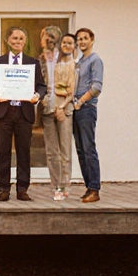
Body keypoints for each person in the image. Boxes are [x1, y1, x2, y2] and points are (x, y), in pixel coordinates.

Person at [0, 27, 47, 202]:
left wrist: (37, 96)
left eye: (21, 38)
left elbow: (41, 86)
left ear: (25, 41)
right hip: (4, 112)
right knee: (3, 151)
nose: (17, 41)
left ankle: (22, 189)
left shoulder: (33, 63)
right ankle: (4, 189)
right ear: (8, 40)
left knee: (24, 152)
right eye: (14, 38)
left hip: (24, 112)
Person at [43, 33, 77, 200]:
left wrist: (62, 107)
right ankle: (55, 185)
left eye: (69, 43)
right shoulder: (47, 61)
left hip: (64, 110)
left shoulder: (73, 65)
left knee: (65, 150)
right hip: (47, 109)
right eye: (64, 42)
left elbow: (72, 90)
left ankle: (65, 185)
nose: (66, 45)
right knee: (51, 152)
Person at [72, 27, 104, 203]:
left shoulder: (95, 60)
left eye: (85, 38)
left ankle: (94, 189)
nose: (81, 41)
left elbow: (96, 88)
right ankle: (88, 187)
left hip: (86, 108)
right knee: (80, 150)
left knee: (89, 148)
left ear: (92, 40)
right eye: (79, 39)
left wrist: (81, 101)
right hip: (76, 109)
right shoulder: (79, 62)